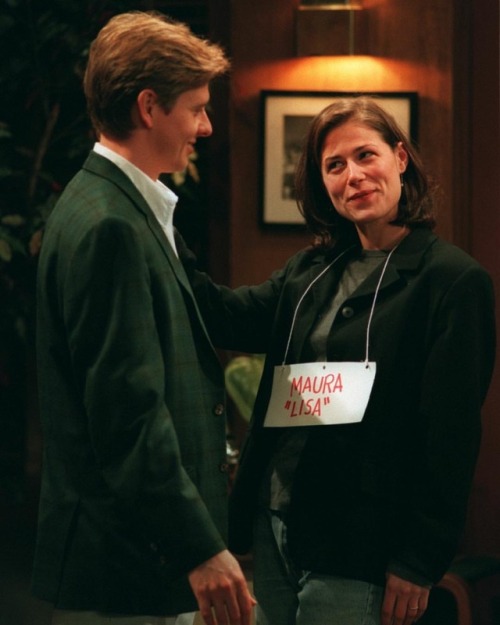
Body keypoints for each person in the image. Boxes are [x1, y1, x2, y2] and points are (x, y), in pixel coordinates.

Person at [179, 96, 496, 625]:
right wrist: (157, 228)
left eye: (366, 156)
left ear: (400, 158)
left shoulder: (452, 282)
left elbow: (451, 436)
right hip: (275, 523)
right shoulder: (311, 269)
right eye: (335, 165)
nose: (354, 176)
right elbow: (223, 316)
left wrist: (419, 560)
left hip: (361, 540)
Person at [32, 11, 255, 625]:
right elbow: (129, 417)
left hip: (131, 564)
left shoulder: (121, 204)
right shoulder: (110, 223)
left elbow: (206, 308)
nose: (206, 127)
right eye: (196, 109)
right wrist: (201, 545)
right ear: (149, 106)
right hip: (127, 573)